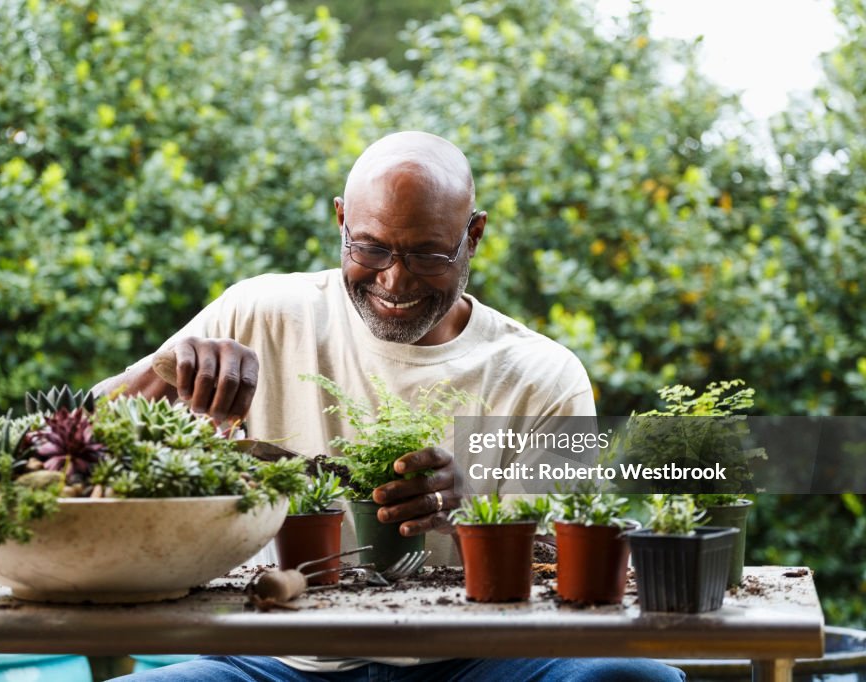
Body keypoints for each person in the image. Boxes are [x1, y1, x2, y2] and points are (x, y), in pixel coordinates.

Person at [98, 131, 684, 681]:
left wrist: (468, 517)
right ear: (341, 220)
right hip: (278, 662)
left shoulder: (541, 375)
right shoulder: (260, 313)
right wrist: (163, 372)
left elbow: (565, 576)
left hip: (478, 664)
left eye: (429, 255)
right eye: (372, 248)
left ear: (473, 236)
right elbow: (64, 440)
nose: (396, 281)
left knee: (634, 676)